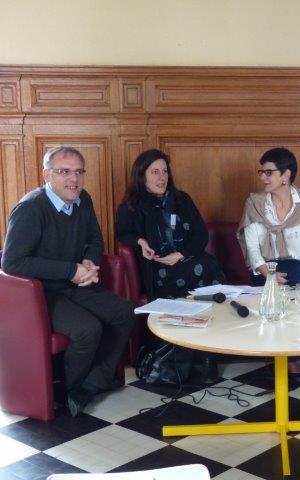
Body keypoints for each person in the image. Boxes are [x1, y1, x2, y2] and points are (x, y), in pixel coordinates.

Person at [1, 146, 135, 417]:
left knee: (125, 312)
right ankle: (68, 391)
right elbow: (11, 262)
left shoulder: (83, 199)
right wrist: (70, 270)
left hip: (77, 285)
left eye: (79, 172)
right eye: (64, 171)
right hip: (41, 294)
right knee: (87, 329)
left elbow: (94, 239)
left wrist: (89, 263)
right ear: (47, 175)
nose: (74, 179)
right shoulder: (31, 208)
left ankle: (91, 384)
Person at [115, 149, 226, 383]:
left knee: (208, 266)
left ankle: (207, 355)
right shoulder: (131, 206)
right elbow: (123, 234)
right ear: (142, 176)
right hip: (159, 270)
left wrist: (181, 254)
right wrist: (140, 242)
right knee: (207, 272)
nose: (161, 177)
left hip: (186, 260)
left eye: (164, 171)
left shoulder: (181, 199)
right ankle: (207, 360)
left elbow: (200, 234)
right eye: (155, 172)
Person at [238, 147, 300, 381]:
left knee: (299, 271)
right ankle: (293, 356)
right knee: (295, 272)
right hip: (264, 272)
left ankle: (294, 350)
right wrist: (267, 274)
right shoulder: (254, 204)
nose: (263, 178)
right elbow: (252, 249)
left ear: (286, 175)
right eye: (261, 172)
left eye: (269, 173)